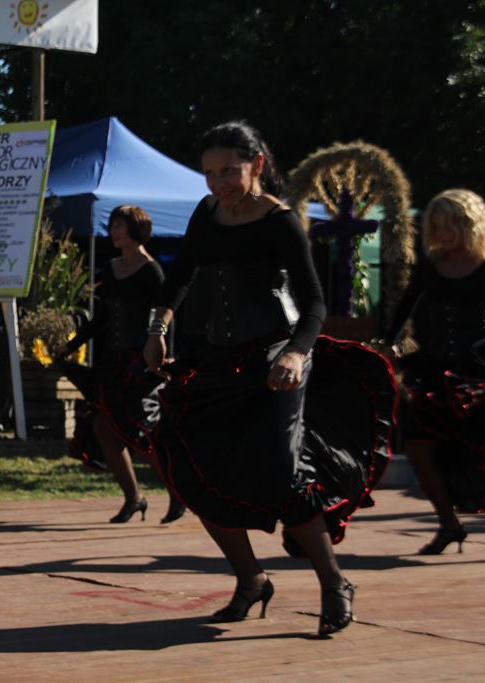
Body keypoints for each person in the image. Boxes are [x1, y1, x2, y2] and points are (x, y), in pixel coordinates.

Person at [143, 122, 396, 637]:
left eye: (229, 172)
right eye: (209, 174)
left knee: (281, 470)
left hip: (277, 358)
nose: (218, 183)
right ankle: (251, 579)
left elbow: (315, 303)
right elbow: (182, 275)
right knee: (190, 462)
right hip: (218, 357)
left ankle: (333, 583)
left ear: (256, 164)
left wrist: (298, 353)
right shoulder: (206, 212)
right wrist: (158, 327)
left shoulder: (280, 222)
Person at [55, 205, 185, 525]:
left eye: (120, 226)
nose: (113, 231)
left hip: (139, 364)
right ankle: (134, 498)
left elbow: (164, 314)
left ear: (135, 229)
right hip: (111, 362)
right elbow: (102, 318)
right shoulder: (110, 267)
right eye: (112, 225)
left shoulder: (151, 269)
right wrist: (70, 346)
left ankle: (179, 493)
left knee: (141, 433)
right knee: (103, 429)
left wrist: (161, 352)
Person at [386, 188, 485, 554]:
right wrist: (392, 345)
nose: (441, 233)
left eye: (448, 225)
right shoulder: (430, 266)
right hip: (432, 371)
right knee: (418, 447)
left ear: (468, 224)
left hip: (478, 373)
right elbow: (405, 311)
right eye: (435, 225)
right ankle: (448, 523)